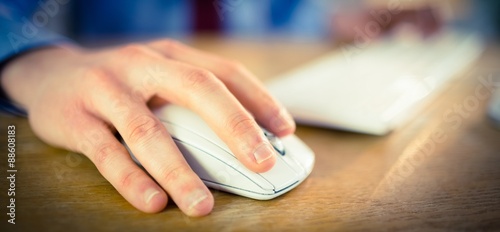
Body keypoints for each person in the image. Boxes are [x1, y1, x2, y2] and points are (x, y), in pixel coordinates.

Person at [2, 0, 492, 217]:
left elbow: (281, 11)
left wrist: (350, 20)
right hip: (115, 74)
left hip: (247, 72)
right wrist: (31, 58)